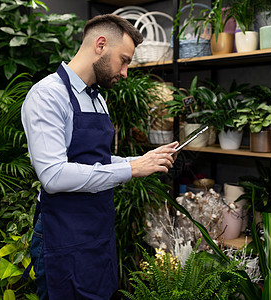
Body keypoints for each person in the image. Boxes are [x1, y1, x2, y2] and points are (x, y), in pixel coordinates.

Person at [21, 14, 178, 299]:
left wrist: (141, 160)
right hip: (62, 237)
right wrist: (131, 170)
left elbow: (97, 160)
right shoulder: (47, 95)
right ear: (101, 45)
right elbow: (54, 175)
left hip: (99, 234)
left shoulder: (97, 98)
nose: (125, 71)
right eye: (125, 60)